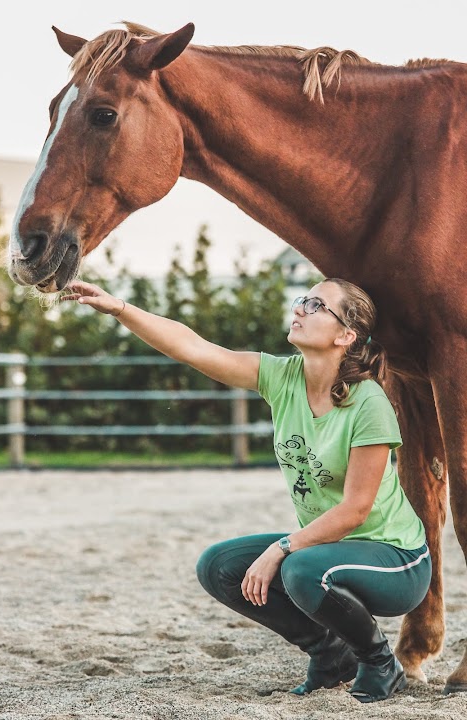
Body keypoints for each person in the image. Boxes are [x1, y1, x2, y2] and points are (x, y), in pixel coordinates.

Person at [61, 277, 431, 704]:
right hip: (324, 552)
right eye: (301, 300)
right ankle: (331, 655)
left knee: (298, 569)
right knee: (219, 566)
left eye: (315, 305)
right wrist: (120, 309)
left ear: (346, 335)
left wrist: (280, 549)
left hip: (396, 561)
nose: (300, 309)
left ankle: (381, 663)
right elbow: (194, 348)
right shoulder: (282, 376)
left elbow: (355, 512)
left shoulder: (369, 404)